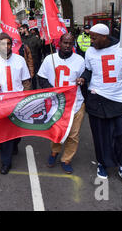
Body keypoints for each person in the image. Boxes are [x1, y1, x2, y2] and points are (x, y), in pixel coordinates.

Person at [76, 24, 122, 187]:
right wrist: (83, 79)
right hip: (97, 98)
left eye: (94, 38)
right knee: (101, 135)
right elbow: (88, 71)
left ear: (105, 37)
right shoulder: (90, 52)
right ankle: (103, 163)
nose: (91, 41)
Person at [37, 33, 86, 174]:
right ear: (59, 43)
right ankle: (54, 152)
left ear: (73, 44)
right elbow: (41, 78)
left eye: (70, 43)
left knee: (73, 135)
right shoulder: (49, 59)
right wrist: (52, 90)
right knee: (57, 131)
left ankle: (67, 159)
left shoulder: (80, 60)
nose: (67, 46)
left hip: (76, 103)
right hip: (56, 104)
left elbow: (86, 77)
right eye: (65, 42)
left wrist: (82, 79)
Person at [0, 33, 32, 175]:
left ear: (12, 45)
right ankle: (6, 162)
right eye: (3, 44)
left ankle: (14, 143)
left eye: (9, 44)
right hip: (0, 103)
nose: (6, 46)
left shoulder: (20, 60)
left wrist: (25, 98)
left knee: (16, 131)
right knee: (4, 133)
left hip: (17, 102)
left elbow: (26, 81)